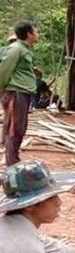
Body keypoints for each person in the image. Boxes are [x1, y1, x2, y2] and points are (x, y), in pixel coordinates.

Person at [0, 21, 39, 166]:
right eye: (36, 31)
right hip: (15, 93)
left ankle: (14, 161)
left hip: (23, 93)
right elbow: (4, 70)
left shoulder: (25, 49)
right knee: (14, 130)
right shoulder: (16, 49)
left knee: (20, 128)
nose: (37, 34)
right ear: (29, 34)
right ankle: (12, 165)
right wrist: (3, 90)